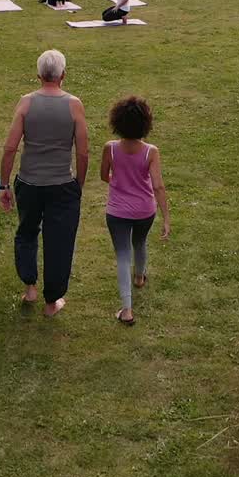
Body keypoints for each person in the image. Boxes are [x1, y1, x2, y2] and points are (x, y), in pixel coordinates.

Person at [0, 50, 89, 317]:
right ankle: (52, 303)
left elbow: (10, 148)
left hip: (29, 183)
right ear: (63, 75)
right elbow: (83, 152)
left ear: (38, 76)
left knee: (26, 231)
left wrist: (4, 186)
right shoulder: (74, 105)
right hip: (62, 185)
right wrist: (78, 186)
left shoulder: (26, 103)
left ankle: (30, 289)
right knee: (59, 242)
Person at [100, 96, 169, 325]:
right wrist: (166, 218)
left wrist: (119, 183)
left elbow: (103, 176)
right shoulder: (151, 152)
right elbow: (158, 186)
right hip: (144, 211)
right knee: (140, 242)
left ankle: (127, 310)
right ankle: (139, 277)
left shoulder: (110, 149)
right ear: (145, 124)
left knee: (122, 255)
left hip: (117, 212)